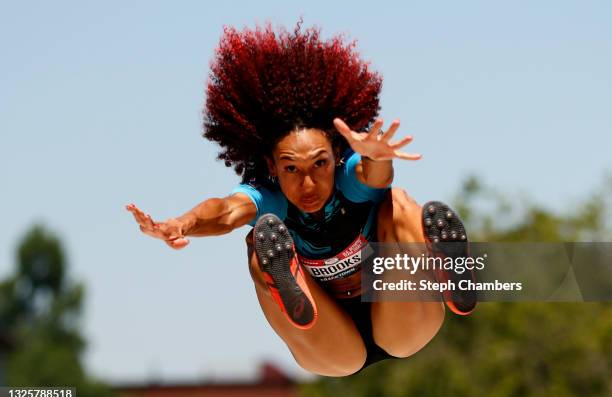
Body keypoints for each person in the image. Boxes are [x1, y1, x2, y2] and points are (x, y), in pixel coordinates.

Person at [126, 22, 476, 377]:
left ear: (336, 154)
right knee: (258, 241)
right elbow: (226, 210)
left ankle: (449, 271)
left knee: (394, 202)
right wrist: (180, 224)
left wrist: (378, 156)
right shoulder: (270, 199)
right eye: (291, 169)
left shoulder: (351, 178)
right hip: (332, 344)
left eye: (319, 165)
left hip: (402, 320)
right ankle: (286, 283)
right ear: (271, 167)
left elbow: (376, 176)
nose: (308, 183)